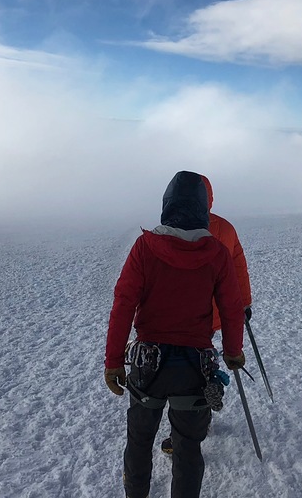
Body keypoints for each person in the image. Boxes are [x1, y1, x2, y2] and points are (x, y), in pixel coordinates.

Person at [104, 170, 246, 498]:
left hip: (147, 366)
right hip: (195, 368)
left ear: (167, 205)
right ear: (202, 209)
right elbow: (232, 307)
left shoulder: (144, 249)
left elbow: (123, 304)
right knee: (188, 449)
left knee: (139, 444)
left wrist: (113, 362)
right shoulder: (217, 255)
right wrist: (232, 351)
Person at [159, 174, 253, 455]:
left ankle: (187, 430)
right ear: (209, 198)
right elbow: (239, 268)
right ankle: (197, 420)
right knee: (201, 369)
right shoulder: (225, 228)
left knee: (181, 374)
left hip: (180, 318)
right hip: (214, 316)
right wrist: (244, 305)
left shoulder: (172, 228)